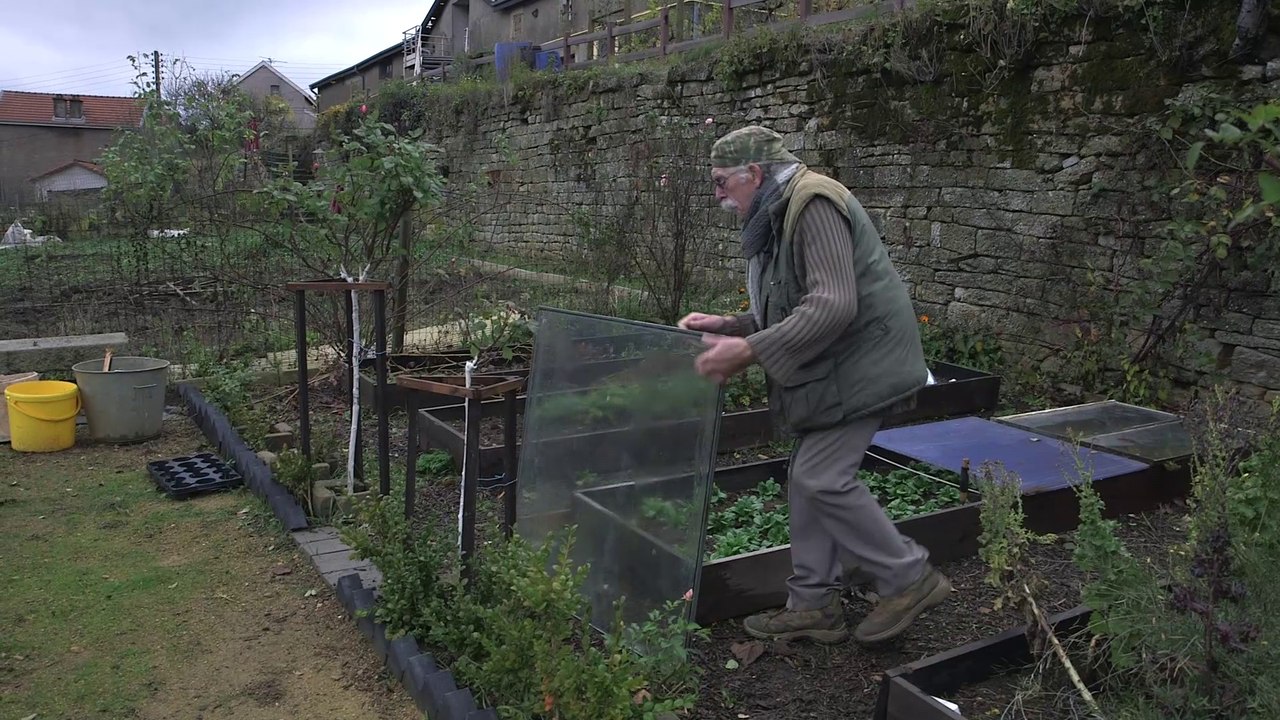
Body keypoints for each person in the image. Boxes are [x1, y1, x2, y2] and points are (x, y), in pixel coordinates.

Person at [679, 125, 952, 645]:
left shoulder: (814, 203)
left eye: (720, 182)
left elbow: (832, 305)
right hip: (843, 363)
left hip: (865, 362)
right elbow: (793, 304)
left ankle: (908, 577)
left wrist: (750, 351)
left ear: (753, 174)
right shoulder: (779, 214)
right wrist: (731, 326)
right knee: (809, 474)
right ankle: (813, 604)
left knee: (821, 477)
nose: (716, 195)